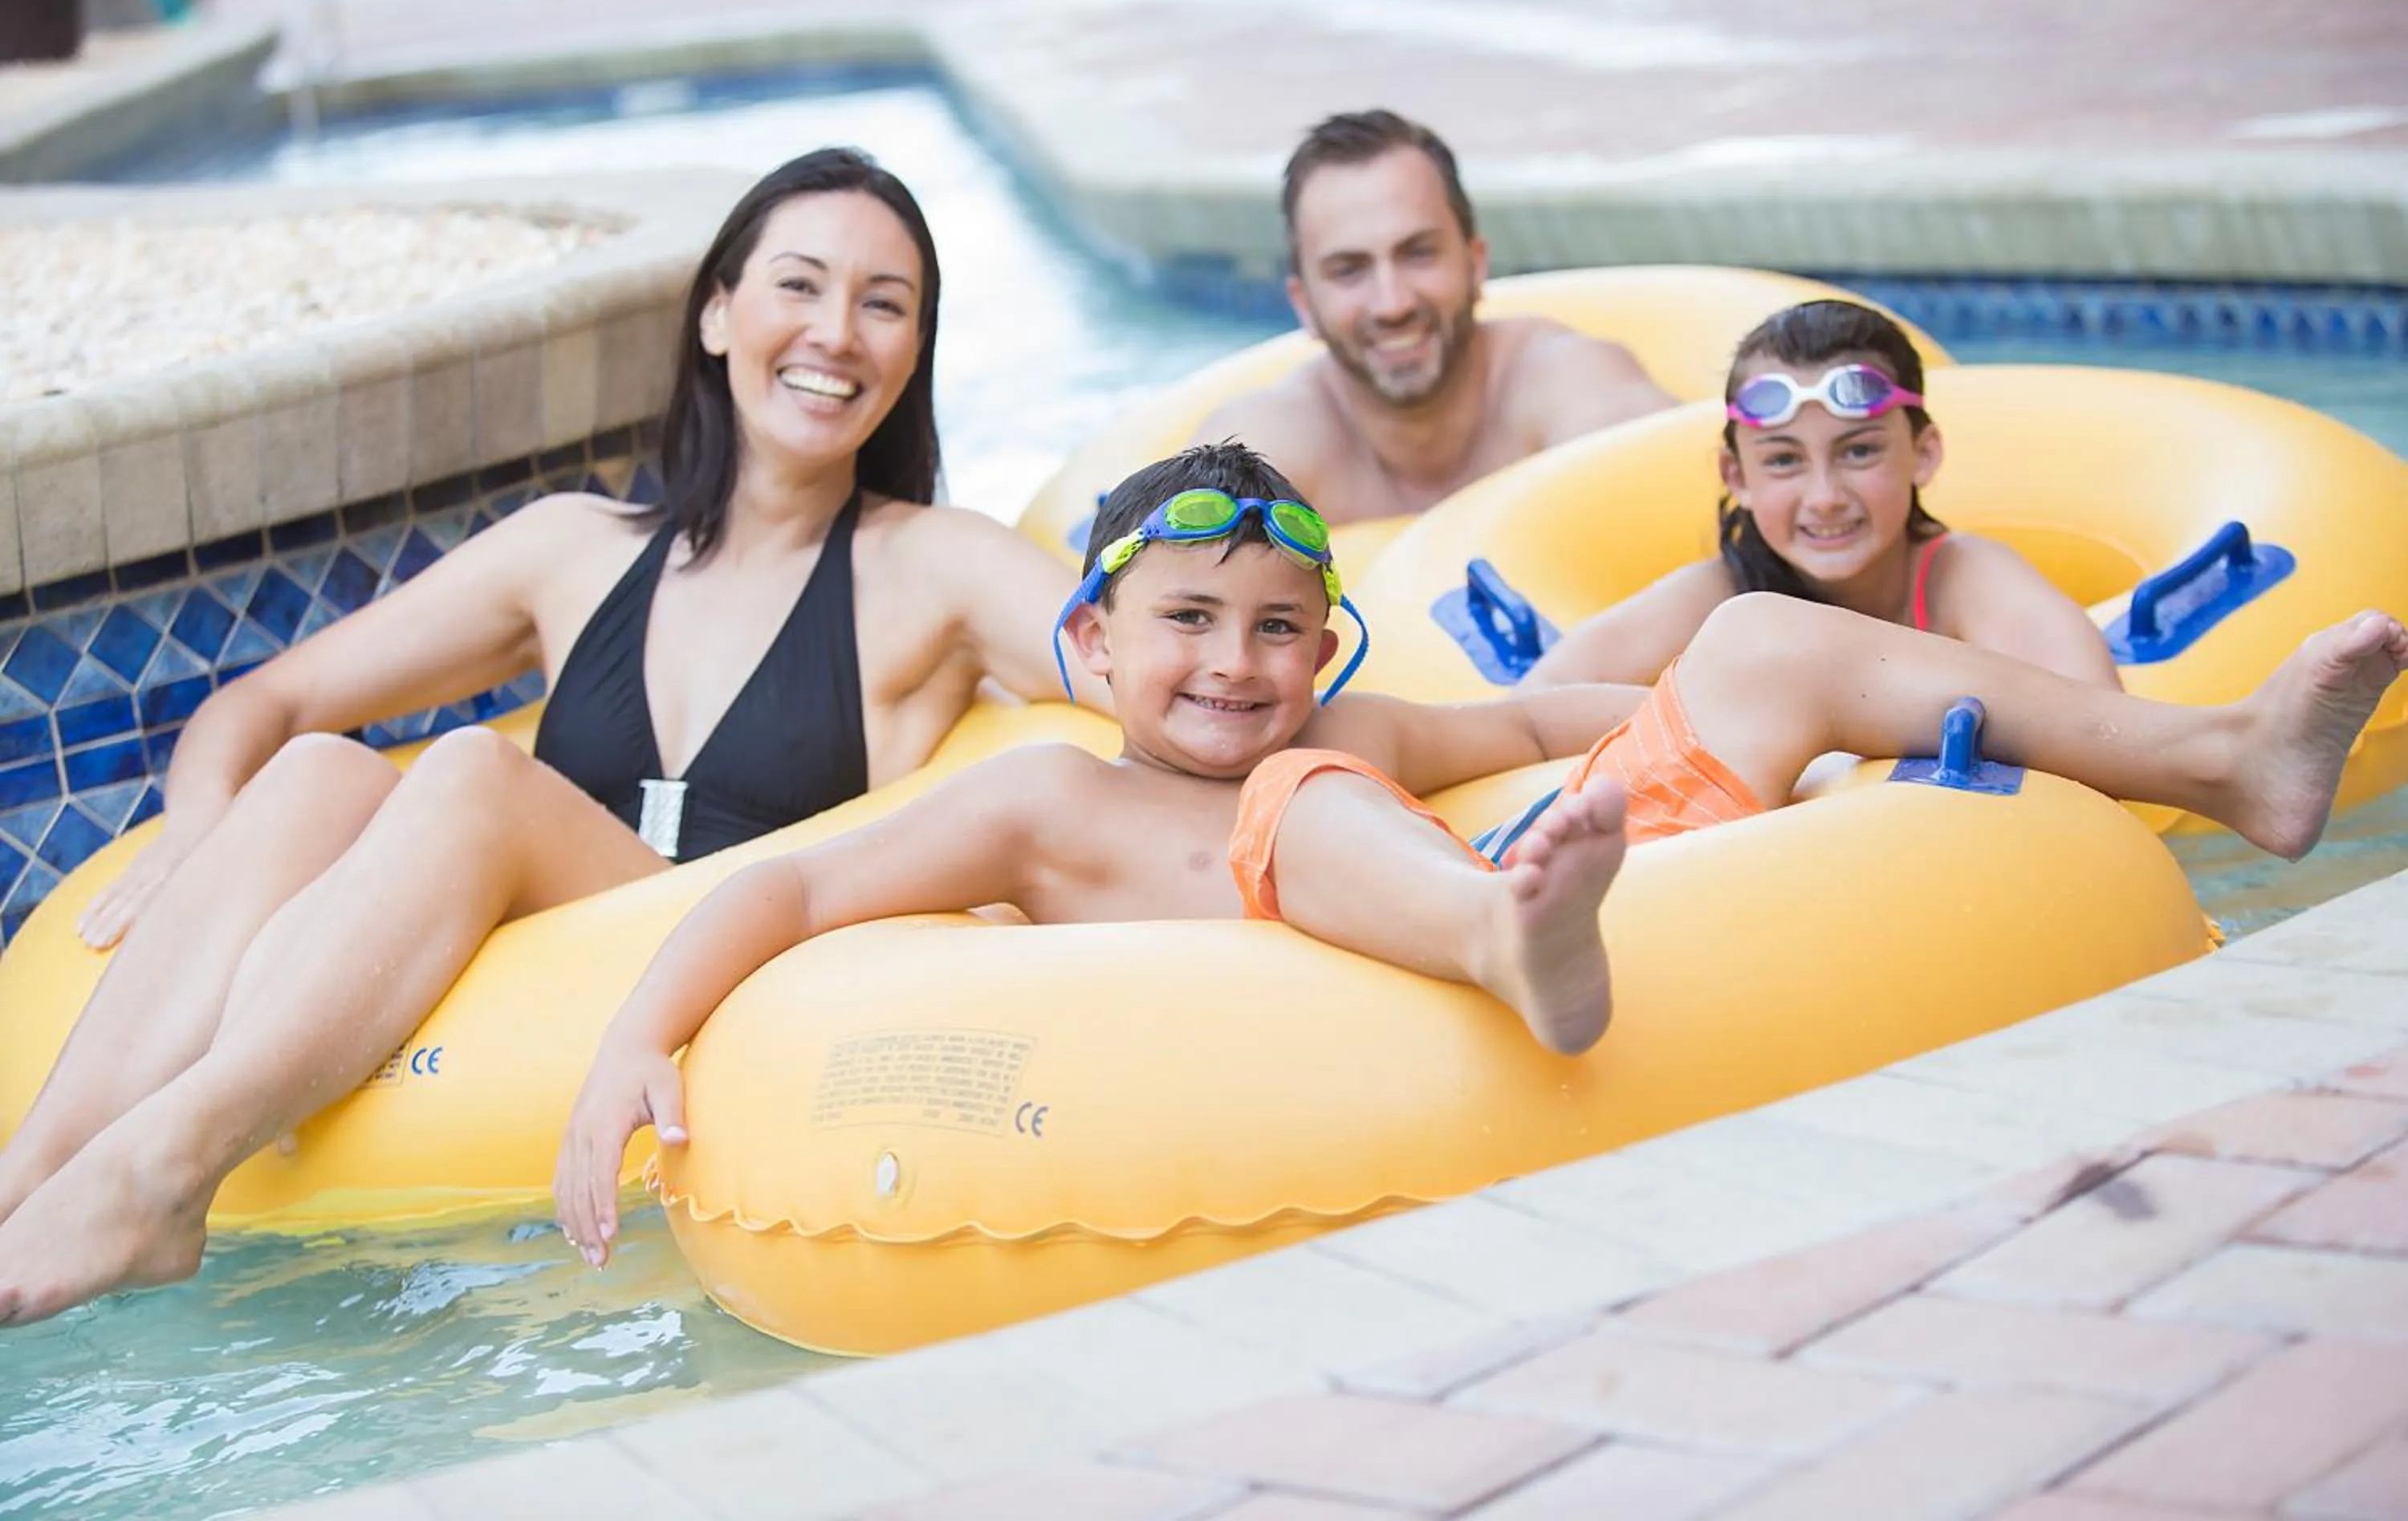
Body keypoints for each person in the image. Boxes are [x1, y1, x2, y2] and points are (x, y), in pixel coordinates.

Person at [551, 441, 2406, 1267]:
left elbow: (1537, 729)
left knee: (1759, 639)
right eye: (1188, 622)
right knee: (1301, 806)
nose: (1237, 665)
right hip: (1427, 962)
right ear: (1094, 646)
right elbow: (789, 887)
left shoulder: (1354, 730)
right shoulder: (1046, 803)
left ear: (1324, 641)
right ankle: (1510, 941)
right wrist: (636, 1040)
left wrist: (1697, 701)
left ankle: (2225, 759)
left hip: (1573, 873)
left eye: (1280, 629)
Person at [0, 148, 1102, 1328]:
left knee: (476, 770)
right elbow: (264, 704)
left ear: (915, 350)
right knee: (319, 769)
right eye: (799, 284)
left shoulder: (937, 565)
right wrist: (194, 833)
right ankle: (28, 1181)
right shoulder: (571, 551)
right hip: (533, 979)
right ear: (717, 314)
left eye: (884, 305)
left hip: (725, 959)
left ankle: (167, 1168)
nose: (836, 332)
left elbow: (1142, 677)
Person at [1528, 299, 2122, 689]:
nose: (1825, 497)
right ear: (1737, 477)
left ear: (1924, 453)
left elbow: (2102, 717)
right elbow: (1546, 698)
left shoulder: (1962, 580)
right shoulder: (1719, 598)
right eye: (1784, 461)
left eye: (1858, 452)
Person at [1193, 110, 1675, 525]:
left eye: (1419, 253)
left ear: (1476, 263)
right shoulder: (1276, 436)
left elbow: (1670, 482)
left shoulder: (1563, 378)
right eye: (1349, 270)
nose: (1393, 304)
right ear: (1303, 304)